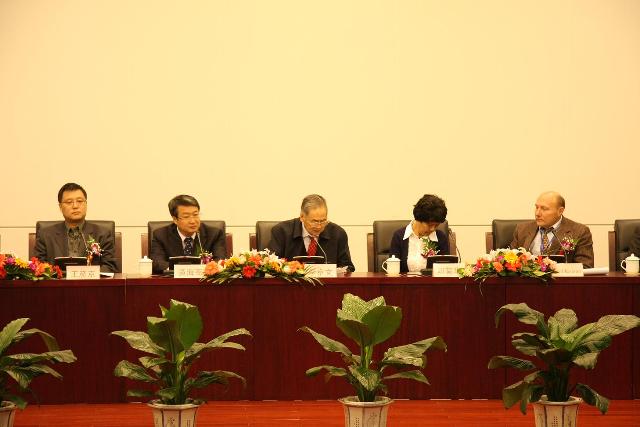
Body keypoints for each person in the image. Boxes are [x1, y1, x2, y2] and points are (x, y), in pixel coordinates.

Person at [34, 182, 118, 273]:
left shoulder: (103, 233)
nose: (75, 206)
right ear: (60, 207)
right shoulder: (45, 234)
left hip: (91, 282)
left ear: (86, 204)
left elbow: (110, 267)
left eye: (80, 201)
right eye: (69, 202)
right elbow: (38, 267)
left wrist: (86, 275)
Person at [269, 194, 355, 272]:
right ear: (302, 217)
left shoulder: (338, 233)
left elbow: (348, 267)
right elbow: (272, 265)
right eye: (314, 221)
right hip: (291, 283)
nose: (319, 226)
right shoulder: (281, 231)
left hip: (326, 283)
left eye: (323, 221)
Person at [510, 191, 594, 268]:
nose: (537, 213)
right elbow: (510, 261)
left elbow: (585, 267)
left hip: (560, 279)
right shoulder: (522, 229)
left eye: (544, 209)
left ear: (560, 211)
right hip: (526, 279)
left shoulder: (578, 232)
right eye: (536, 207)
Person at [149, 194, 226, 273]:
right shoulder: (161, 235)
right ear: (175, 219)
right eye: (186, 216)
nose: (193, 221)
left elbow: (220, 261)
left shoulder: (214, 234)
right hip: (174, 279)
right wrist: (183, 271)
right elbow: (157, 262)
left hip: (204, 279)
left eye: (195, 215)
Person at [389, 194, 450, 273]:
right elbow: (393, 271)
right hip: (404, 281)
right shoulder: (399, 236)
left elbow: (445, 270)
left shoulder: (441, 238)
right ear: (418, 218)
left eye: (436, 225)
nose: (433, 229)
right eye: (430, 225)